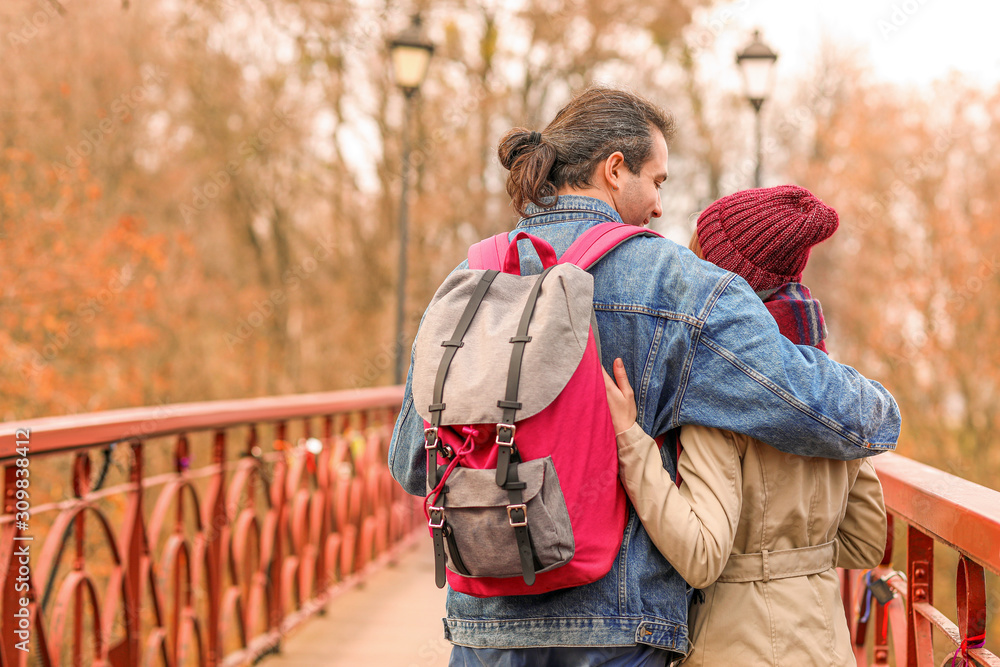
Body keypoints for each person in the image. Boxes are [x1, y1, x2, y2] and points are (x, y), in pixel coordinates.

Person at [389, 85, 900, 666]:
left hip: (485, 630)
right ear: (614, 170)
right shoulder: (684, 287)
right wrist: (884, 406)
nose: (660, 206)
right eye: (657, 181)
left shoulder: (471, 278)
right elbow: (820, 408)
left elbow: (410, 461)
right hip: (618, 630)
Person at [604, 185, 887, 666]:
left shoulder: (719, 390)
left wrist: (630, 441)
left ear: (723, 279)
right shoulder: (828, 387)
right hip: (827, 647)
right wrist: (798, 558)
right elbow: (866, 539)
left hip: (737, 646)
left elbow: (700, 555)